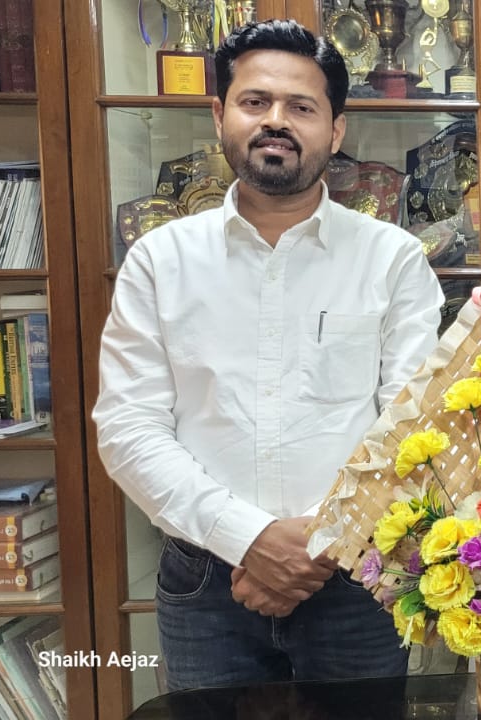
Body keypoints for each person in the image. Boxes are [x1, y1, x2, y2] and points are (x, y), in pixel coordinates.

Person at [92, 20, 443, 690]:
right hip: (205, 584)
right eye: (256, 102)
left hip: (357, 576)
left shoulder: (391, 258)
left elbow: (412, 428)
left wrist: (317, 548)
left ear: (336, 131)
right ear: (220, 114)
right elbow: (129, 427)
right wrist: (248, 539)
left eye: (302, 107)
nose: (276, 121)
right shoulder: (160, 261)